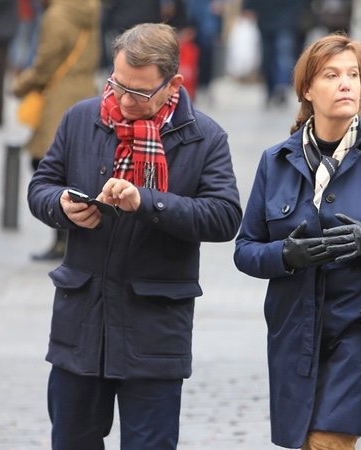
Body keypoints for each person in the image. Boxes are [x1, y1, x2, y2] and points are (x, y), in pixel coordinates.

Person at [27, 23, 242, 448]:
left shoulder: (206, 137)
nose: (124, 101)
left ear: (173, 84)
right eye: (117, 84)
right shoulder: (81, 118)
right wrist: (61, 208)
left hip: (155, 326)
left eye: (139, 93)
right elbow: (41, 186)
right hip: (81, 320)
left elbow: (224, 217)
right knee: (71, 439)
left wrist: (148, 202)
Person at [234, 33, 361, 449]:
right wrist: (286, 254)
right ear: (307, 89)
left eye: (353, 74)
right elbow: (246, 250)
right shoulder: (276, 161)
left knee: (327, 441)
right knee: (307, 441)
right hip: (293, 333)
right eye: (331, 75)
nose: (346, 83)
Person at [13, 0, 101, 261]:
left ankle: (62, 238)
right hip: (85, 91)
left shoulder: (57, 14)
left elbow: (45, 63)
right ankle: (67, 236)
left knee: (46, 165)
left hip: (58, 96)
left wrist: (21, 85)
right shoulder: (89, 9)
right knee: (75, 165)